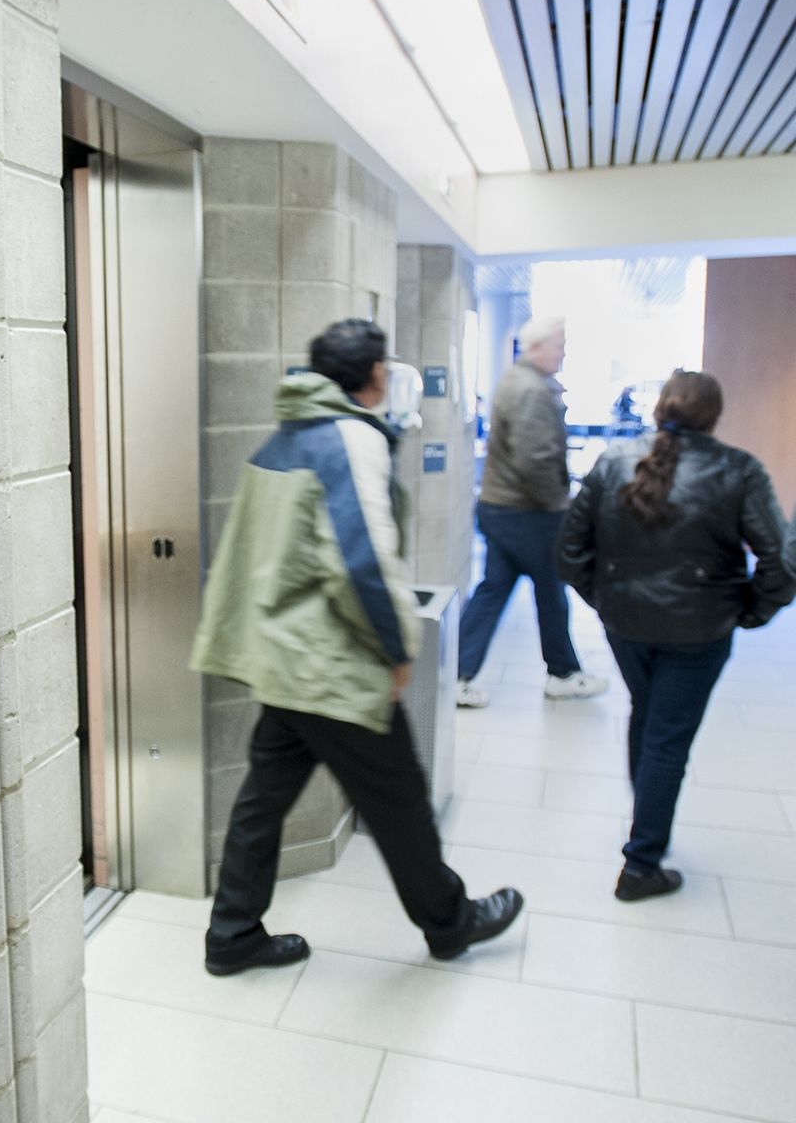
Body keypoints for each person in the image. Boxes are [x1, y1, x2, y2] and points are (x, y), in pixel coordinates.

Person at [192, 318, 523, 975]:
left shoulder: (282, 438)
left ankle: (232, 934)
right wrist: (398, 647)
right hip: (331, 664)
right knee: (398, 796)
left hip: (286, 660)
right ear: (374, 377)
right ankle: (450, 923)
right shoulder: (350, 440)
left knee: (262, 800)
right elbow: (362, 561)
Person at [558, 370, 794, 900]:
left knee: (647, 714)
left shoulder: (614, 462)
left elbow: (569, 552)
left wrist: (609, 599)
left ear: (661, 407)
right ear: (714, 416)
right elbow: (780, 558)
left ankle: (647, 819)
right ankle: (641, 865)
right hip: (700, 630)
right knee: (667, 736)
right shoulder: (739, 470)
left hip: (625, 625)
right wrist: (751, 610)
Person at [456, 316, 609, 708]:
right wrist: (562, 503)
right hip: (528, 514)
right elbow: (535, 459)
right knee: (551, 592)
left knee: (495, 590)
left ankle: (457, 673)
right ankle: (562, 673)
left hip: (504, 509)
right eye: (559, 345)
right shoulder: (529, 390)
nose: (563, 353)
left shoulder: (519, 382)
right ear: (537, 347)